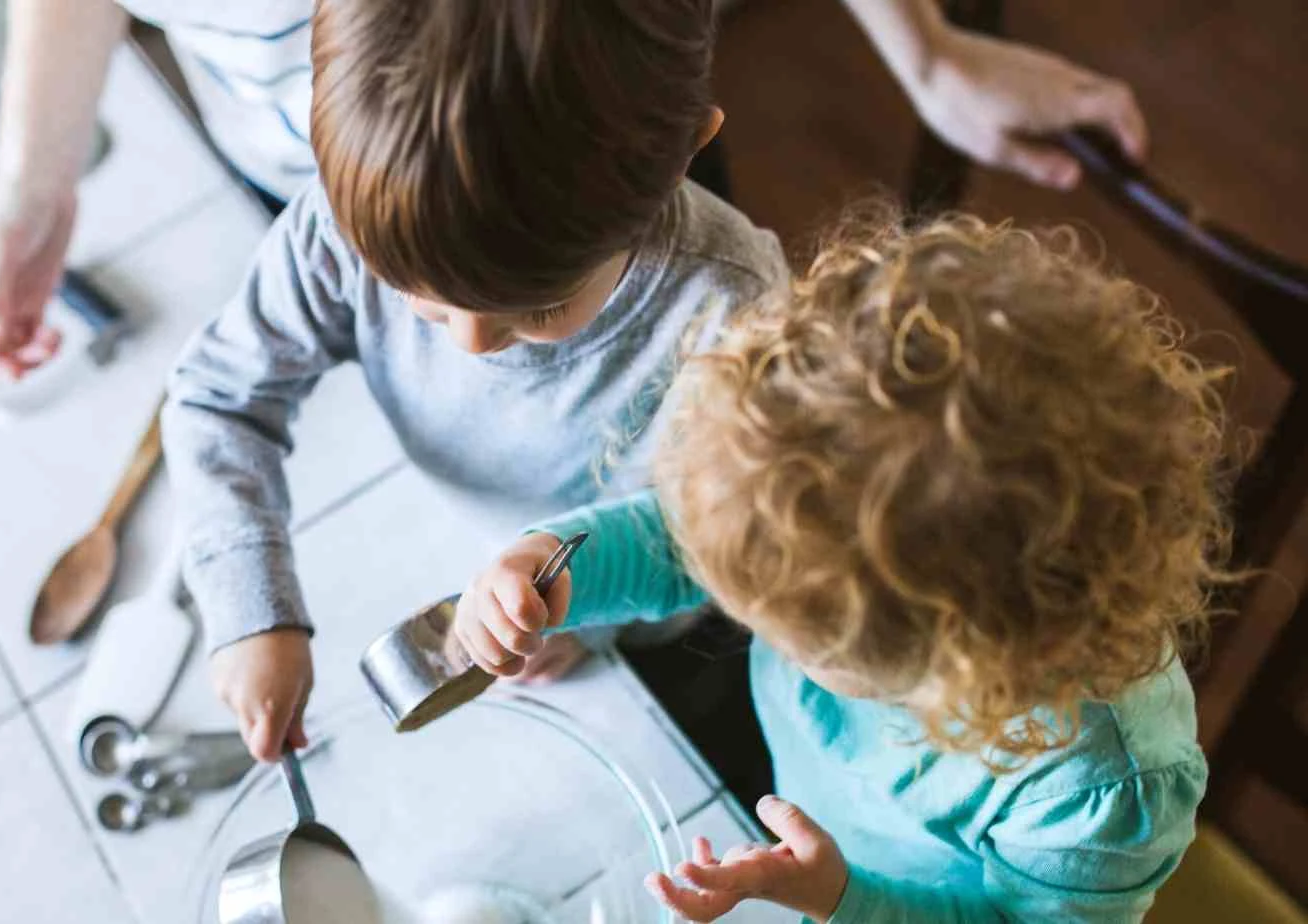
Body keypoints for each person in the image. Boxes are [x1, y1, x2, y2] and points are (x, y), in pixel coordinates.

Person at [454, 211, 1224, 921]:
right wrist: (546, 568)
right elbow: (687, 538)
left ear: (958, 660)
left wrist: (841, 897)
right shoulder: (815, 522)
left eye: (791, 635)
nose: (751, 621)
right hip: (809, 819)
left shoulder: (1104, 793)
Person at [159, 0, 790, 762]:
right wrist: (251, 608)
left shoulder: (733, 308)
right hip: (486, 555)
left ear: (687, 151)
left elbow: (737, 532)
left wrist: (586, 608)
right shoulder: (345, 222)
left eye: (540, 307)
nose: (474, 342)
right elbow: (219, 396)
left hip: (660, 626)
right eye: (419, 301)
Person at [0, 0, 1148, 382]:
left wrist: (925, 53)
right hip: (294, 178)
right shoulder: (336, 235)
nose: (465, 348)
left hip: (562, 173)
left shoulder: (679, 258)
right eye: (423, 303)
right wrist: (30, 181)